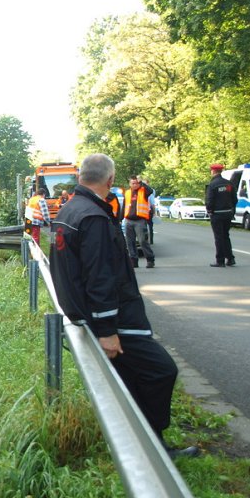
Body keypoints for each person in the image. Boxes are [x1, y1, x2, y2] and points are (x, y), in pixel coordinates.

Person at [50, 153, 197, 459]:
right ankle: (154, 449)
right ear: (110, 180)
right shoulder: (93, 217)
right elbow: (99, 277)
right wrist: (106, 329)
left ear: (80, 178)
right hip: (115, 321)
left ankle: (146, 445)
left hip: (89, 315)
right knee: (161, 371)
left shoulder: (70, 210)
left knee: (131, 380)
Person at [205, 163, 236, 267]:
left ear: (213, 171)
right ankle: (230, 258)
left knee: (218, 237)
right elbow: (234, 199)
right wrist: (231, 210)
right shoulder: (229, 184)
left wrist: (209, 210)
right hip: (228, 213)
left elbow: (209, 200)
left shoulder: (212, 185)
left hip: (217, 214)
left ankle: (220, 260)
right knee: (226, 235)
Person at [123, 175, 155, 268]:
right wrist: (120, 219)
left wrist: (142, 182)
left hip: (140, 221)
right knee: (130, 242)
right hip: (128, 220)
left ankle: (150, 260)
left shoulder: (144, 191)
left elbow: (151, 191)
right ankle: (134, 261)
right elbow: (124, 205)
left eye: (136, 183)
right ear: (130, 184)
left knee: (142, 241)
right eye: (133, 183)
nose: (135, 185)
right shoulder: (127, 192)